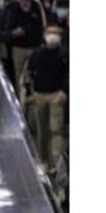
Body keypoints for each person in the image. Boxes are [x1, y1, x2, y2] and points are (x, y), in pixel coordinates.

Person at [24, 25, 68, 171]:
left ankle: (56, 162)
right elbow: (29, 73)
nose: (53, 36)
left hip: (56, 95)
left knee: (56, 130)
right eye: (50, 33)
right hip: (39, 95)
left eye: (56, 33)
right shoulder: (37, 54)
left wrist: (64, 92)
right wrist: (30, 93)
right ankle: (42, 160)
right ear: (44, 35)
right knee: (41, 129)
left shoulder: (64, 54)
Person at [4, 0, 46, 96]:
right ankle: (20, 100)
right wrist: (14, 32)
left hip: (34, 46)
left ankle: (32, 98)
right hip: (19, 47)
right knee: (20, 76)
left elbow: (40, 25)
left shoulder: (35, 6)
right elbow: (7, 30)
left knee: (34, 74)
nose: (25, 2)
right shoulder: (13, 7)